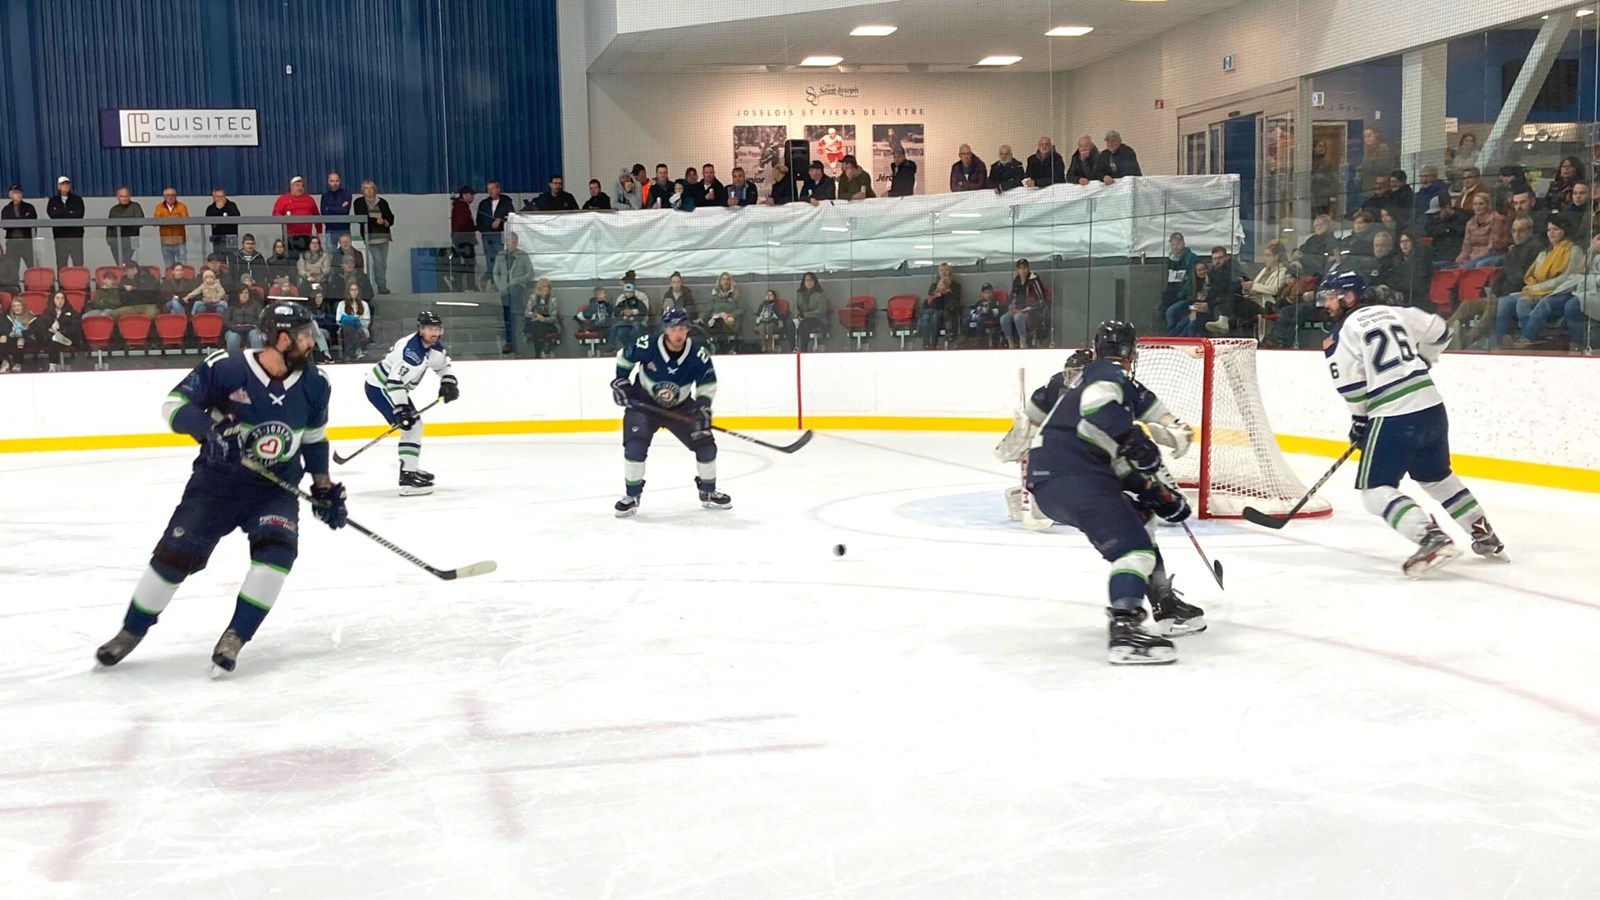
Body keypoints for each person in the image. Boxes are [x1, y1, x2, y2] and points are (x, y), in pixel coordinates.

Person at [93, 303, 345, 674]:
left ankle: (235, 636)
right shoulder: (225, 367)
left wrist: (322, 487)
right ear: (282, 339)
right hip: (217, 484)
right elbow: (174, 405)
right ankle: (131, 631)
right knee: (174, 557)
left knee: (277, 556)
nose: (312, 342)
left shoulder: (316, 382)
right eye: (305, 335)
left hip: (274, 491)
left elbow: (313, 437)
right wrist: (209, 430)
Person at [1021, 321, 1201, 664]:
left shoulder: (1085, 386)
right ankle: (1125, 632)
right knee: (1135, 549)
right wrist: (1136, 442)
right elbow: (1098, 409)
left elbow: (1112, 456)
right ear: (1133, 353)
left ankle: (1163, 603)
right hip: (1076, 478)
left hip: (1053, 483)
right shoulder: (1108, 374)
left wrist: (1154, 492)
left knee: (1140, 520)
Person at [1319, 272, 1507, 575]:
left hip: (1395, 414)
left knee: (1374, 490)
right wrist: (1426, 360)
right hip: (1431, 406)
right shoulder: (1395, 312)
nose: (1325, 304)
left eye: (1330, 297)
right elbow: (1441, 331)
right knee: (1437, 478)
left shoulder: (1342, 333)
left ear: (1349, 297)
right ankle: (1483, 533)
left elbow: (1351, 387)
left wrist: (1359, 420)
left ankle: (1430, 537)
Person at [609, 308, 729, 516]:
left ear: (688, 329)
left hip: (680, 407)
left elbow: (707, 382)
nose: (678, 333)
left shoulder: (698, 354)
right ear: (665, 330)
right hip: (643, 405)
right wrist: (621, 381)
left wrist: (702, 405)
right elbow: (624, 357)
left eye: (682, 328)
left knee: (706, 447)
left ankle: (708, 491)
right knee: (635, 448)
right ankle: (632, 495)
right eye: (673, 329)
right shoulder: (648, 345)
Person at [364, 311, 459, 495]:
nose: (434, 333)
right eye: (430, 329)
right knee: (412, 426)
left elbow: (442, 365)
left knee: (415, 426)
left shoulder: (434, 347)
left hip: (394, 388)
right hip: (380, 388)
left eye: (437, 329)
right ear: (421, 330)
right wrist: (401, 410)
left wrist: (448, 381)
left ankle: (410, 468)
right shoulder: (410, 351)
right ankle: (407, 476)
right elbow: (394, 382)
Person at [352, 180, 394, 294]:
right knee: (378, 260)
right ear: (362, 191)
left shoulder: (382, 202)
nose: (369, 190)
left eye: (371, 188)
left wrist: (384, 221)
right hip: (370, 236)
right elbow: (362, 218)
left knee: (383, 263)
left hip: (383, 236)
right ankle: (381, 285)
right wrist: (376, 220)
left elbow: (391, 218)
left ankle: (382, 285)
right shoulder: (359, 202)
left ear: (374, 190)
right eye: (366, 188)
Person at [1002, 258, 1048, 348]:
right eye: (1020, 268)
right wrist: (1011, 306)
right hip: (1018, 309)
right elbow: (1012, 297)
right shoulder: (1017, 280)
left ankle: (1023, 341)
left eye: (1024, 268)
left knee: (1018, 317)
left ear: (1028, 268)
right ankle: (1010, 342)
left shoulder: (1033, 280)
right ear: (1017, 270)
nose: (1022, 271)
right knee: (1004, 319)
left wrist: (1023, 310)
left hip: (1032, 311)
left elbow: (1040, 301)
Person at [1160, 233, 1199, 334]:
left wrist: (1181, 294)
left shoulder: (1190, 258)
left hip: (1186, 297)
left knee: (1171, 312)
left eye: (1178, 243)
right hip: (1173, 296)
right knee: (1159, 310)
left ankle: (1171, 338)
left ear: (1183, 244)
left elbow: (1192, 281)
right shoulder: (1170, 260)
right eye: (1173, 244)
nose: (1175, 246)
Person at [272, 176, 321, 255]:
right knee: (292, 258)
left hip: (307, 236)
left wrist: (319, 233)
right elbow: (276, 213)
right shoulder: (283, 199)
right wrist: (284, 218)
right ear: (291, 186)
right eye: (297, 185)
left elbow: (317, 217)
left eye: (302, 186)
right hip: (290, 236)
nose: (300, 188)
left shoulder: (310, 199)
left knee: (308, 257)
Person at [477, 181, 514, 279]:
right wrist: (485, 229)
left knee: (501, 258)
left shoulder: (506, 202)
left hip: (500, 235)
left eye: (492, 189)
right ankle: (492, 280)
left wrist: (501, 220)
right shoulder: (483, 204)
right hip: (487, 235)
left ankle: (502, 279)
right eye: (488, 189)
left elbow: (511, 216)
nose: (490, 191)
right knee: (489, 258)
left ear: (498, 189)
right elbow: (479, 220)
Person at [36, 290, 80, 371]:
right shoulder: (46, 313)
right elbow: (43, 327)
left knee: (53, 341)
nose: (60, 301)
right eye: (57, 298)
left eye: (62, 298)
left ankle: (52, 366)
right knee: (51, 339)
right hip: (50, 336)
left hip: (67, 336)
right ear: (53, 299)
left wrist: (61, 331)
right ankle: (53, 366)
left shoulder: (72, 313)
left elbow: (75, 328)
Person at [47, 176, 86, 268]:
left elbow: (79, 214)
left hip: (75, 237)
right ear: (58, 186)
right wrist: (68, 213)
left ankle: (79, 278)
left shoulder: (77, 199)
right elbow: (52, 214)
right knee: (61, 263)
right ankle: (62, 278)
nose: (66, 186)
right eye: (63, 184)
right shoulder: (53, 200)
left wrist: (61, 214)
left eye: (67, 184)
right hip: (60, 237)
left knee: (78, 262)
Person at [920, 263, 961, 349]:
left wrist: (947, 292)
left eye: (946, 270)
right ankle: (926, 343)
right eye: (941, 270)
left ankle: (933, 344)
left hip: (947, 312)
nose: (944, 272)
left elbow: (954, 303)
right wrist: (936, 293)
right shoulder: (934, 286)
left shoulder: (956, 286)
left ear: (950, 272)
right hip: (934, 310)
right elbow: (929, 303)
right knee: (926, 316)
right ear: (938, 273)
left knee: (935, 316)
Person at [523, 278, 561, 358]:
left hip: (549, 324)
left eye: (547, 286)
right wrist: (537, 316)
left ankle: (538, 354)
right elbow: (527, 312)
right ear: (539, 287)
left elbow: (553, 317)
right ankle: (544, 351)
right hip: (535, 322)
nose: (546, 288)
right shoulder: (533, 298)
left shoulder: (553, 300)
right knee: (537, 326)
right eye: (544, 286)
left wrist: (543, 319)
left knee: (538, 327)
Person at [153, 188, 190, 268]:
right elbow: (156, 221)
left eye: (173, 195)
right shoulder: (159, 207)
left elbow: (185, 219)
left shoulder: (182, 206)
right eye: (168, 195)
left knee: (182, 265)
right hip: (165, 241)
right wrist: (173, 218)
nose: (171, 197)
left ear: (176, 196)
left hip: (180, 241)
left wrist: (166, 219)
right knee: (168, 266)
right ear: (164, 197)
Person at [705, 272, 740, 353]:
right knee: (716, 323)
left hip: (730, 321)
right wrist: (701, 317)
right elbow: (707, 310)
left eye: (727, 279)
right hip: (716, 321)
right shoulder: (714, 296)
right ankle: (719, 348)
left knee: (723, 324)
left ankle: (725, 348)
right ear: (720, 282)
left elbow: (741, 309)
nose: (725, 282)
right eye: (723, 279)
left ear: (730, 282)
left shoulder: (736, 294)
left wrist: (730, 315)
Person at [795, 271, 830, 350]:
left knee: (805, 324)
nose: (809, 282)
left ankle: (804, 350)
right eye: (807, 280)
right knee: (791, 324)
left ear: (815, 281)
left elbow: (821, 310)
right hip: (802, 319)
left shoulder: (820, 293)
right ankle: (794, 348)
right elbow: (795, 306)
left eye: (811, 280)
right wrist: (799, 315)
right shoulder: (799, 293)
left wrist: (805, 315)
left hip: (818, 319)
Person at [223, 286, 265, 352]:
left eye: (246, 293)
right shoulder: (232, 305)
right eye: (242, 293)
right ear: (238, 295)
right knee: (232, 337)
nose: (244, 295)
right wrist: (233, 326)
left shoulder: (256, 305)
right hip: (235, 330)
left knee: (255, 336)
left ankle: (258, 357)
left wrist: (255, 325)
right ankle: (233, 357)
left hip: (252, 329)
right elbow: (226, 320)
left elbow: (261, 318)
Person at [337, 286, 371, 361]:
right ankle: (358, 350)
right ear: (348, 291)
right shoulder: (341, 304)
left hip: (361, 328)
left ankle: (349, 354)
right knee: (348, 327)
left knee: (352, 329)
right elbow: (338, 320)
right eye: (352, 290)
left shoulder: (364, 304)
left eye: (356, 290)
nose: (354, 292)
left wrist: (357, 321)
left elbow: (367, 321)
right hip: (345, 328)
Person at [205, 187, 242, 256]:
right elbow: (210, 220)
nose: (220, 199)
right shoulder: (211, 208)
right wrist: (218, 210)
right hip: (218, 239)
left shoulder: (231, 205)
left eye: (222, 196)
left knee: (233, 257)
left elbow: (236, 216)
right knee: (219, 258)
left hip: (231, 237)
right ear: (214, 198)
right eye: (218, 197)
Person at [0, 297, 34, 373]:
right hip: (12, 337)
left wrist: (22, 334)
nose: (16, 308)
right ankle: (5, 362)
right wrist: (9, 333)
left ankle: (18, 364)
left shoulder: (30, 316)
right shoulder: (7, 317)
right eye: (14, 306)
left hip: (26, 338)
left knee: (20, 341)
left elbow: (33, 330)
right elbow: (3, 328)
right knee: (3, 337)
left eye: (18, 305)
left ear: (23, 306)